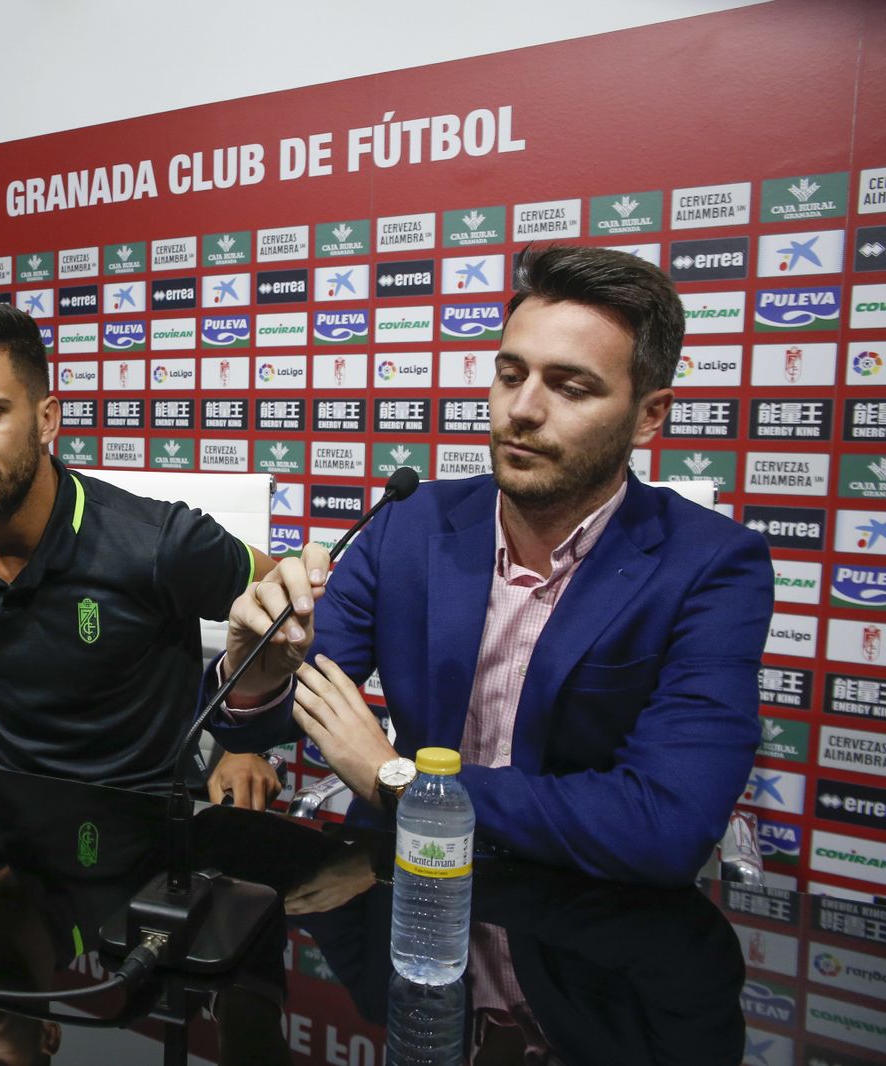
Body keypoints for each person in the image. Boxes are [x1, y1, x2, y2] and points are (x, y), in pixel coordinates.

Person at [215, 245, 774, 883]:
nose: (523, 410)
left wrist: (400, 781)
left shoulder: (713, 565)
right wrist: (254, 675)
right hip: (398, 890)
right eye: (511, 375)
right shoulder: (409, 521)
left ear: (648, 416)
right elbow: (264, 723)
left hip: (583, 923)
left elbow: (665, 823)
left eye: (571, 387)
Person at [0, 299, 281, 802]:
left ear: (47, 420)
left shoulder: (161, 544)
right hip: (1, 805)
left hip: (142, 811)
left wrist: (244, 741)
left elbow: (286, 602)